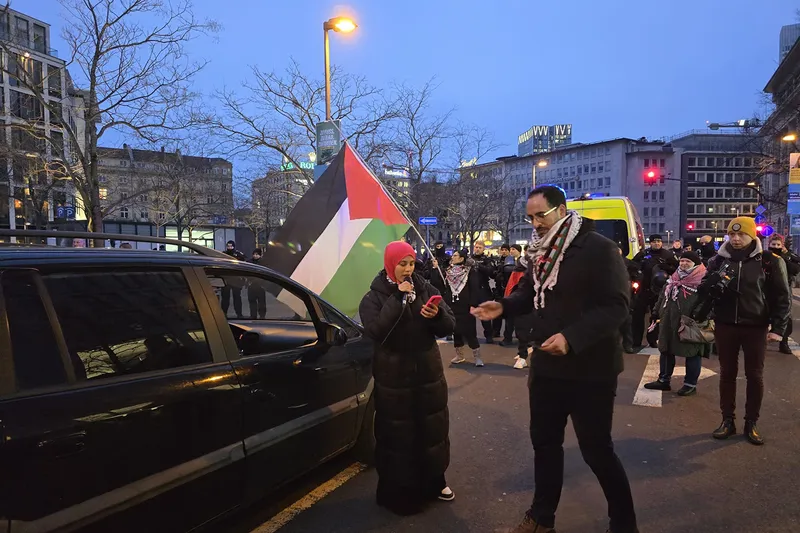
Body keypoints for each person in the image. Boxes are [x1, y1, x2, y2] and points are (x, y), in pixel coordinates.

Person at [472, 186, 638, 533]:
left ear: (561, 210)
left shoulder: (598, 249)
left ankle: (623, 524)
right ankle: (541, 518)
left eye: (540, 216)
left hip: (591, 369)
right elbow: (529, 293)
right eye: (530, 217)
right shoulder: (539, 251)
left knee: (596, 450)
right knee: (545, 445)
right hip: (547, 366)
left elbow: (616, 306)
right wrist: (503, 305)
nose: (535, 224)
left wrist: (572, 338)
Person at [358, 241, 456, 515]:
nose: (408, 269)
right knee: (398, 436)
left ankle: (436, 481)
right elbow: (377, 332)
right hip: (394, 378)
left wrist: (436, 316)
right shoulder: (374, 297)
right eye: (402, 264)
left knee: (432, 430)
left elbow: (449, 325)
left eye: (411, 263)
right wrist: (396, 299)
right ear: (390, 264)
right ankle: (401, 490)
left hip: (428, 374)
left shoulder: (426, 288)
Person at [708, 217, 790, 446]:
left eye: (741, 235)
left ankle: (751, 422)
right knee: (727, 374)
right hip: (725, 325)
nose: (735, 239)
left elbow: (782, 297)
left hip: (756, 326)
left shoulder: (769, 261)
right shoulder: (718, 261)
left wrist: (779, 329)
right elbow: (707, 292)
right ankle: (727, 420)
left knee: (754, 375)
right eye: (732, 235)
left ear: (752, 236)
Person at [644, 251, 708, 396]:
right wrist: (656, 311)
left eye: (688, 262)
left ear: (695, 264)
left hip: (690, 321)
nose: (684, 264)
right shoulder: (674, 277)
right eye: (682, 261)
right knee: (666, 349)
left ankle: (690, 384)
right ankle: (663, 380)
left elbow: (707, 302)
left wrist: (699, 315)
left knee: (692, 352)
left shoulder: (703, 279)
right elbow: (663, 295)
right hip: (669, 319)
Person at [431, 249, 485, 367]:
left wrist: (473, 303)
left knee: (470, 330)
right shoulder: (447, 271)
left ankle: (477, 356)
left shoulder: (469, 271)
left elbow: (474, 288)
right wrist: (436, 269)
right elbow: (437, 283)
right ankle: (460, 355)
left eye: (455, 255)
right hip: (452, 304)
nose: (453, 257)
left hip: (465, 305)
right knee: (456, 330)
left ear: (461, 258)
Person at [631, 234, 678, 350]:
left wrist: (666, 267)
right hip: (643, 289)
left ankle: (653, 339)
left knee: (656, 315)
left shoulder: (668, 255)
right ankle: (636, 340)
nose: (657, 243)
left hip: (659, 291)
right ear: (650, 243)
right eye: (654, 241)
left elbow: (676, 269)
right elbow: (632, 266)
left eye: (659, 241)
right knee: (638, 316)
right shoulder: (644, 254)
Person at [767, 234, 800, 354]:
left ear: (783, 245)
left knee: (785, 316)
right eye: (773, 244)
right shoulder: (766, 256)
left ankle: (784, 342)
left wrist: (784, 256)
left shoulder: (789, 256)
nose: (775, 247)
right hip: (768, 290)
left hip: (784, 289)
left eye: (778, 245)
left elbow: (795, 269)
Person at [505, 244, 531, 369]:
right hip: (522, 302)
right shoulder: (520, 267)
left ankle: (525, 353)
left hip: (537, 302)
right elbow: (513, 285)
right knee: (521, 329)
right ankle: (523, 353)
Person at [472, 241, 499, 343]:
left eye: (479, 247)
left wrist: (478, 266)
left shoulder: (487, 260)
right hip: (471, 290)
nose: (477, 249)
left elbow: (491, 272)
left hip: (483, 289)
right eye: (476, 247)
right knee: (469, 314)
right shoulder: (470, 259)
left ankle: (488, 335)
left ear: (483, 249)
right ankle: (470, 335)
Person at [620, 247, 641, 354]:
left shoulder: (628, 263)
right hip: (610, 298)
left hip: (625, 296)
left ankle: (628, 344)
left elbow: (636, 276)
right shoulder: (603, 263)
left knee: (627, 322)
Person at [497, 244, 518, 346]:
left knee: (514, 317)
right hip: (506, 290)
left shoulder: (518, 262)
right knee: (508, 317)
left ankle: (512, 337)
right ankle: (507, 337)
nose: (511, 251)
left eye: (513, 249)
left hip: (515, 292)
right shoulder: (502, 261)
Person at [222, 240, 246, 318]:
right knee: (225, 298)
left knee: (237, 298)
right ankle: (224, 313)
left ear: (233, 246)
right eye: (228, 246)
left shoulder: (239, 255)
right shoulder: (223, 254)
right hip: (226, 279)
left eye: (231, 246)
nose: (229, 248)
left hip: (236, 279)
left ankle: (239, 314)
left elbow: (244, 264)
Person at [247, 248, 267, 319]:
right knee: (252, 301)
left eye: (257, 254)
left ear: (260, 255)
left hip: (260, 285)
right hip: (251, 285)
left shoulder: (263, 263)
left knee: (261, 302)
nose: (255, 256)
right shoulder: (249, 262)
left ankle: (262, 315)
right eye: (254, 254)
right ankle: (253, 315)